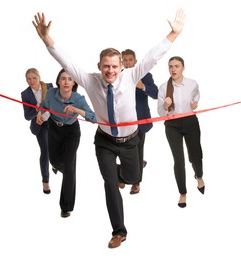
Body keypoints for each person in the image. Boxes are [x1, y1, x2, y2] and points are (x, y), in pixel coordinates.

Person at [32, 9, 185, 248]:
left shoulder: (131, 75)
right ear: (99, 66)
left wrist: (173, 34)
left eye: (114, 66)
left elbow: (152, 57)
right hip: (104, 142)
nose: (110, 71)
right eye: (106, 67)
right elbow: (66, 62)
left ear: (121, 67)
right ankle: (119, 231)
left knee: (134, 177)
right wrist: (46, 39)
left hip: (130, 140)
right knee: (110, 185)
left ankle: (126, 171)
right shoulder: (90, 81)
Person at [36, 68, 96, 218]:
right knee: (54, 160)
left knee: (69, 168)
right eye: (63, 78)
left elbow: (93, 117)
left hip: (71, 132)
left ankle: (66, 207)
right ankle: (61, 168)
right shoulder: (50, 94)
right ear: (58, 81)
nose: (66, 82)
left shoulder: (79, 99)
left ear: (74, 82)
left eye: (70, 79)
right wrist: (39, 114)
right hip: (54, 129)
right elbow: (43, 105)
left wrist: (77, 110)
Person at [157, 56, 205, 208]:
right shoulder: (164, 87)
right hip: (172, 126)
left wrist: (194, 103)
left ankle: (199, 176)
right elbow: (160, 113)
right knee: (179, 160)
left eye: (177, 66)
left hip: (190, 122)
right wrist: (165, 105)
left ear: (183, 68)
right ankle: (182, 193)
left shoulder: (192, 83)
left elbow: (197, 94)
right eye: (170, 66)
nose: (173, 69)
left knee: (195, 155)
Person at [118, 49, 158, 194]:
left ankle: (136, 182)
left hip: (140, 119)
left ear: (135, 61)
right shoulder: (118, 76)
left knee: (138, 149)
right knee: (122, 149)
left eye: (130, 60)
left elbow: (156, 94)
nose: (128, 63)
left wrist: (142, 86)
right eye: (125, 60)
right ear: (122, 62)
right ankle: (123, 176)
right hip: (123, 121)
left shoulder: (144, 74)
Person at [21, 68, 53, 194]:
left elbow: (56, 103)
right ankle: (45, 181)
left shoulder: (49, 87)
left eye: (34, 78)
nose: (31, 81)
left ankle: (56, 164)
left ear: (39, 78)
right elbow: (27, 116)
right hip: (40, 126)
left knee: (58, 148)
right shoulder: (25, 94)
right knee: (45, 151)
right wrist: (36, 110)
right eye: (28, 78)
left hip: (54, 122)